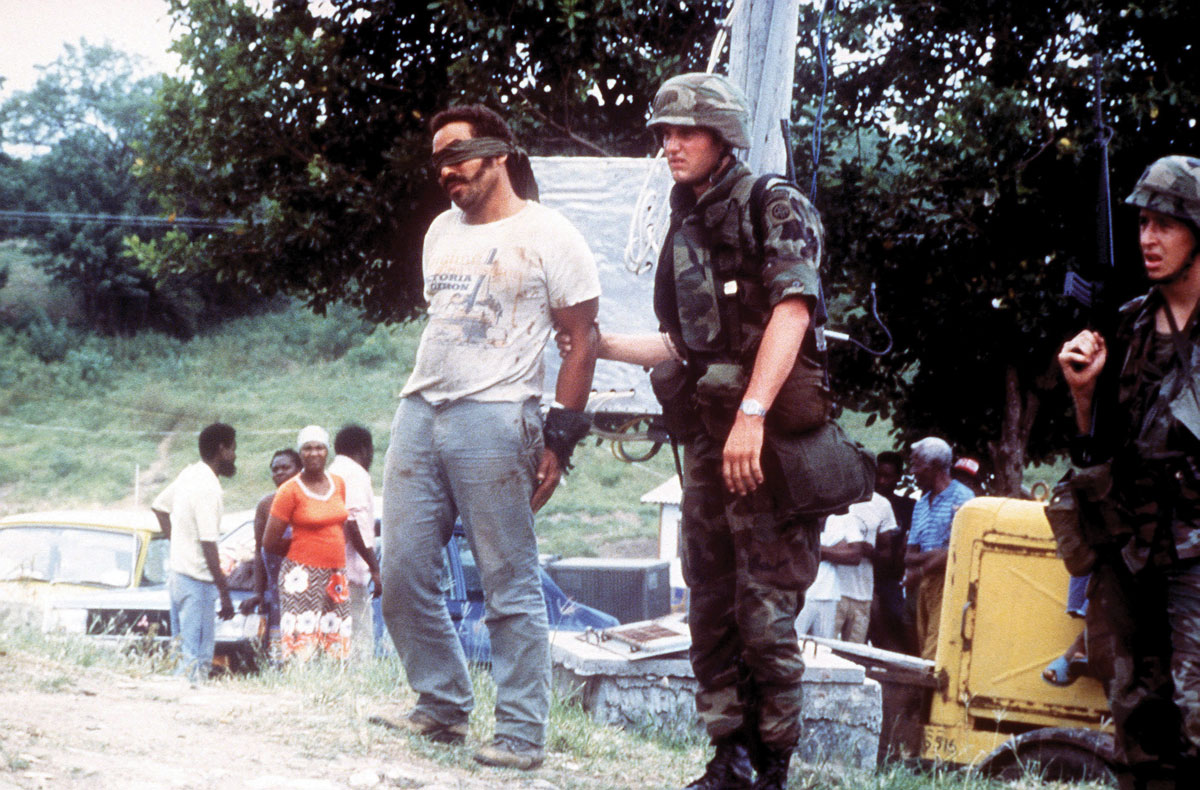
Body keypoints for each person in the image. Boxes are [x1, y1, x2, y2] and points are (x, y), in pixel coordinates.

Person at [557, 72, 829, 790]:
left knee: (765, 615)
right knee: (709, 606)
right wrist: (597, 342)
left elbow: (793, 313)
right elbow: (683, 346)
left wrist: (752, 415)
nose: (672, 145)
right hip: (712, 447)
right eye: (665, 133)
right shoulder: (686, 219)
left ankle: (773, 767)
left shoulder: (774, 204)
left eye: (687, 131)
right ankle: (728, 760)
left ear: (723, 136)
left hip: (766, 446)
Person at [374, 104, 600, 771]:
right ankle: (440, 705)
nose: (447, 170)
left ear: (500, 151)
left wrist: (559, 438)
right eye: (438, 160)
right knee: (402, 569)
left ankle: (523, 734)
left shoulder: (550, 232)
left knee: (508, 580)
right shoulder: (441, 232)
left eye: (459, 153)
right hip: (420, 409)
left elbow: (581, 338)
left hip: (500, 415)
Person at [1057, 155, 1200, 789]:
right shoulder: (1130, 323)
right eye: (1143, 222)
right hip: (1134, 548)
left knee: (1197, 715)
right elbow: (1099, 447)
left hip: (1196, 552)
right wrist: (1084, 393)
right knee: (1138, 720)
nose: (1148, 239)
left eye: (1166, 224)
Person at [264, 425, 377, 662]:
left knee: (335, 639)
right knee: (303, 642)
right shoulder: (289, 490)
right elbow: (269, 542)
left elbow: (342, 523)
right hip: (302, 576)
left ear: (327, 452)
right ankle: (300, 689)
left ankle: (330, 690)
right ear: (300, 453)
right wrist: (302, 553)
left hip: (336, 575)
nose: (314, 453)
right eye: (307, 448)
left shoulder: (339, 484)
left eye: (319, 448)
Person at [151, 422, 237, 683]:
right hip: (198, 583)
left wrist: (178, 543)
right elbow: (209, 544)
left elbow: (159, 506)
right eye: (233, 449)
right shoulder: (209, 488)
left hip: (177, 577)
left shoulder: (190, 474)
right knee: (197, 661)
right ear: (222, 450)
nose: (234, 455)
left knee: (182, 655)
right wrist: (224, 594)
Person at [903, 437, 974, 660]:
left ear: (933, 466)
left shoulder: (963, 498)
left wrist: (924, 567)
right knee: (925, 643)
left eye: (917, 466)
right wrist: (936, 554)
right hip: (924, 585)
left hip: (949, 582)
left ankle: (931, 693)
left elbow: (956, 552)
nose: (913, 473)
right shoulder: (922, 503)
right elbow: (909, 556)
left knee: (935, 648)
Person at [239, 448, 301, 658]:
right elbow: (259, 552)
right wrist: (258, 592)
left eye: (286, 467)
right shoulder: (266, 505)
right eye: (275, 469)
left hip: (307, 584)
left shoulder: (309, 500)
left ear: (299, 470)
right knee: (278, 647)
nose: (280, 473)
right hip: (276, 589)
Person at [328, 424, 381, 662]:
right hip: (351, 575)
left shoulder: (331, 472)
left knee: (335, 642)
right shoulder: (356, 473)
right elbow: (353, 521)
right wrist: (375, 568)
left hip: (331, 573)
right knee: (359, 642)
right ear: (364, 449)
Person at [869, 451, 917, 653]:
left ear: (898, 478)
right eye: (878, 475)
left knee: (899, 621)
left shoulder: (908, 507)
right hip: (863, 574)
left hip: (892, 579)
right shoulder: (862, 503)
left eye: (887, 476)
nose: (881, 481)